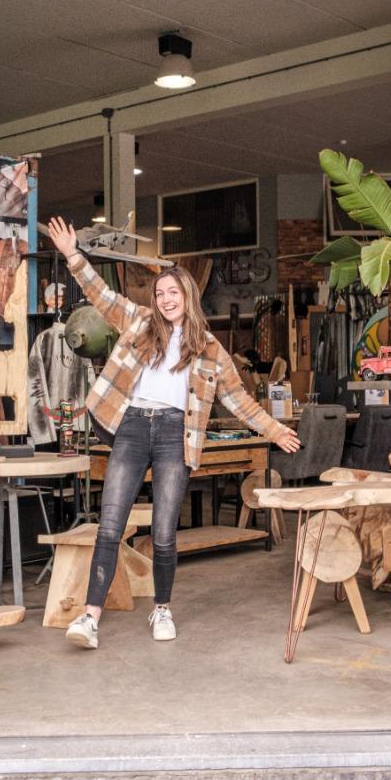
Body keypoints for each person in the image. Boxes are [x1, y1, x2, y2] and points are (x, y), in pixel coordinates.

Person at [46, 216, 301, 650]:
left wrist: (274, 430)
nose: (165, 299)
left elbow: (238, 400)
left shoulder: (210, 349)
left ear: (188, 296)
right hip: (132, 426)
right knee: (110, 526)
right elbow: (101, 296)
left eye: (173, 292)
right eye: (160, 293)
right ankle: (90, 618)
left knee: (165, 532)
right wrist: (73, 255)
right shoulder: (139, 321)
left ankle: (161, 608)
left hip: (173, 434)